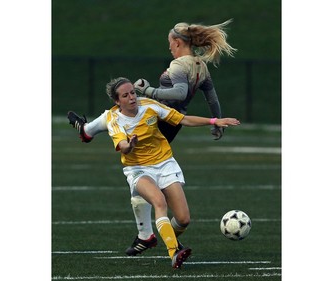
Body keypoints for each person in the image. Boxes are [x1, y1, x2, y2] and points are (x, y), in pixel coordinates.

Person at [67, 19, 237, 257]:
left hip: (163, 118)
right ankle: (153, 235)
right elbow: (211, 96)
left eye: (170, 43)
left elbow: (178, 93)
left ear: (177, 42)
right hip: (171, 122)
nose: (169, 48)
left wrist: (147, 91)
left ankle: (86, 131)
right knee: (127, 116)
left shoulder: (179, 65)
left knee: (121, 114)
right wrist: (216, 120)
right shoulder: (201, 65)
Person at [102, 77, 240, 268]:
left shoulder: (149, 105)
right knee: (159, 202)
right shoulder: (113, 118)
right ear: (118, 101)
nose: (132, 97)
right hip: (138, 168)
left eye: (132, 92)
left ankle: (165, 237)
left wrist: (215, 120)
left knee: (183, 219)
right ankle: (174, 252)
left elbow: (182, 119)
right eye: (125, 95)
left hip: (165, 163)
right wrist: (130, 144)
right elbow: (122, 146)